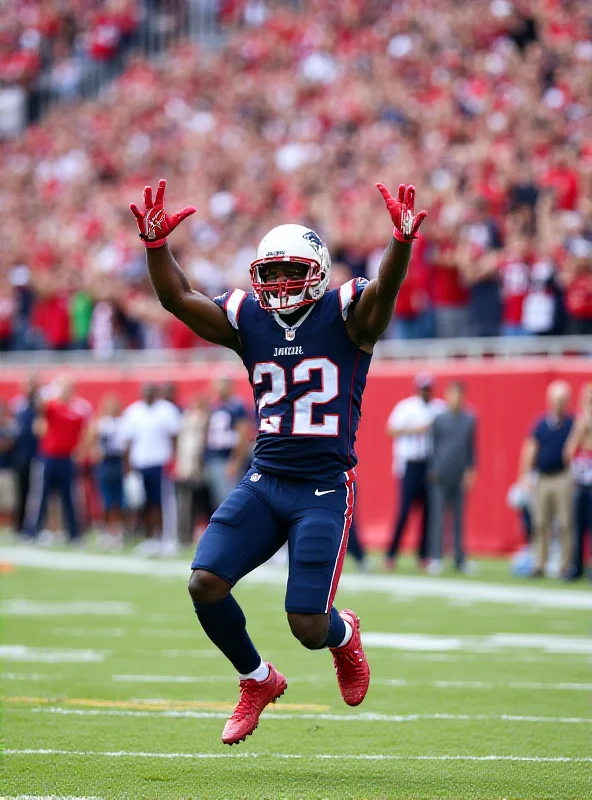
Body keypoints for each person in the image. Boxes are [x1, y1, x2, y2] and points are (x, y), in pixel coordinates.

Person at [129, 178, 427, 745]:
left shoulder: (348, 314)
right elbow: (178, 300)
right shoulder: (249, 318)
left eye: (292, 271)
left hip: (322, 486)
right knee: (204, 583)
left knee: (308, 625)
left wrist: (401, 243)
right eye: (270, 272)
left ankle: (344, 636)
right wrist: (155, 248)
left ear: (318, 272)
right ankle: (256, 680)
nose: (281, 283)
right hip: (265, 480)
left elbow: (385, 293)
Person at [384, 374, 446, 571]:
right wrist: (415, 429)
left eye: (429, 388)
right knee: (404, 511)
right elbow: (390, 431)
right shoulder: (406, 407)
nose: (426, 392)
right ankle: (391, 555)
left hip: (430, 463)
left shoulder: (439, 408)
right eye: (423, 388)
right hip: (410, 463)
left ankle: (423, 556)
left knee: (429, 512)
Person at [119, 383, 182, 556]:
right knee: (143, 503)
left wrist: (175, 460)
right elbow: (127, 442)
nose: (147, 394)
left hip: (160, 463)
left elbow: (175, 437)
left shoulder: (167, 410)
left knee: (162, 503)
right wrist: (127, 468)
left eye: (150, 391)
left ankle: (165, 538)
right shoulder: (133, 412)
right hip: (140, 463)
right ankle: (149, 538)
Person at [519, 380, 574, 578]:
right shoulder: (541, 424)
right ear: (550, 400)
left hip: (562, 476)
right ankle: (539, 563)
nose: (559, 403)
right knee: (540, 522)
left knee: (565, 522)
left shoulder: (571, 423)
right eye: (556, 399)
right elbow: (530, 449)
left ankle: (565, 566)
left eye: (562, 399)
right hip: (543, 477)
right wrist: (525, 475)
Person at [27, 375, 91, 544]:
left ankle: (74, 534)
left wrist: (81, 451)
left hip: (67, 458)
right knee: (42, 496)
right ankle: (33, 532)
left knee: (69, 498)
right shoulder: (52, 406)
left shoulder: (78, 410)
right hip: (48, 457)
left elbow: (83, 433)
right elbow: (38, 409)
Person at [428, 381, 477, 574]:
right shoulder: (439, 419)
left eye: (459, 395)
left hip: (459, 474)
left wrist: (471, 470)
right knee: (438, 517)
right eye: (452, 394)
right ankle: (437, 557)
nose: (456, 399)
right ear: (447, 396)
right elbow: (432, 446)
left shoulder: (470, 419)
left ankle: (459, 558)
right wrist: (432, 468)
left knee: (459, 517)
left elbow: (471, 448)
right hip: (440, 474)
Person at [204, 376, 251, 509]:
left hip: (227, 457)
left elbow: (243, 435)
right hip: (214, 457)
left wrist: (235, 461)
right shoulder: (215, 406)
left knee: (229, 499)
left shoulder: (236, 406)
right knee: (218, 499)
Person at [87, 394, 126, 550]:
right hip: (105, 463)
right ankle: (106, 531)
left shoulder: (122, 423)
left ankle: (118, 531)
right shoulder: (100, 423)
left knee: (120, 499)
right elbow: (90, 440)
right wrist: (95, 453)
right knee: (106, 499)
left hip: (118, 461)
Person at [563, 383, 592, 581]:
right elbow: (569, 451)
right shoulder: (580, 422)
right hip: (581, 479)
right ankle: (577, 565)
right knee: (577, 525)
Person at [175, 395, 212, 546]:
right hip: (187, 466)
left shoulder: (205, 420)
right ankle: (185, 537)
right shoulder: (187, 420)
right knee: (186, 504)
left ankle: (205, 533)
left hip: (202, 467)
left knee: (206, 503)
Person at [10, 375, 39, 536]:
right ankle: (19, 525)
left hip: (37, 454)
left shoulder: (41, 404)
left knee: (36, 493)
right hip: (21, 454)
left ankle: (34, 526)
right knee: (21, 491)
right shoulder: (18, 404)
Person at [0, 399, 17, 522]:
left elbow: (9, 444)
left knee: (8, 503)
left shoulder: (9, 426)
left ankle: (8, 527)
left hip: (6, 468)